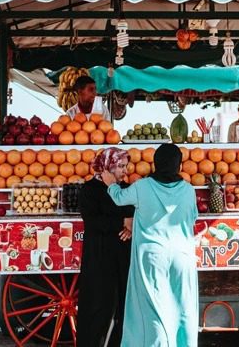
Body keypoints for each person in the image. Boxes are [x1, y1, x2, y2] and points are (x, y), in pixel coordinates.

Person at [104, 143, 199, 347]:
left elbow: (119, 199)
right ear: (179, 166)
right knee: (182, 306)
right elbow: (192, 218)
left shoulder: (142, 186)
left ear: (155, 164)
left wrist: (110, 183)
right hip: (182, 257)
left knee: (153, 309)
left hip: (151, 258)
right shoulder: (188, 190)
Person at [77, 147, 133, 347]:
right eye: (120, 166)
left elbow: (132, 214)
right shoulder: (89, 190)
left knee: (123, 305)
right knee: (97, 306)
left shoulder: (126, 188)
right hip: (99, 257)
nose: (124, 171)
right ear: (107, 167)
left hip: (122, 256)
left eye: (125, 166)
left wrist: (130, 224)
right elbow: (93, 222)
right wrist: (123, 222)